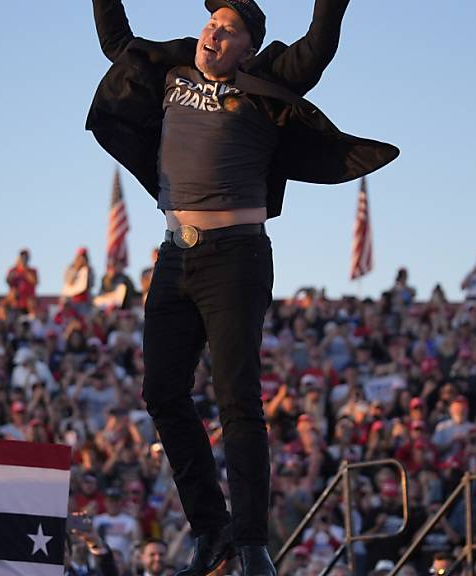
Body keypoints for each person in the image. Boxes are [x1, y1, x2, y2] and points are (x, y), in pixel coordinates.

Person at [87, 0, 398, 574]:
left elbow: (318, 45)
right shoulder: (173, 72)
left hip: (236, 256)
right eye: (211, 22)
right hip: (174, 257)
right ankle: (213, 530)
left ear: (247, 47)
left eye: (227, 29)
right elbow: (118, 43)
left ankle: (254, 542)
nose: (212, 31)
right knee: (162, 393)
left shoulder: (263, 82)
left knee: (237, 400)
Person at [6, 248, 39, 313]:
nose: (24, 259)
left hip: (28, 305)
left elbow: (35, 282)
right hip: (16, 303)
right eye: (22, 257)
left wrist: (25, 270)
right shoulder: (13, 270)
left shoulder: (32, 271)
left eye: (25, 257)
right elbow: (8, 281)